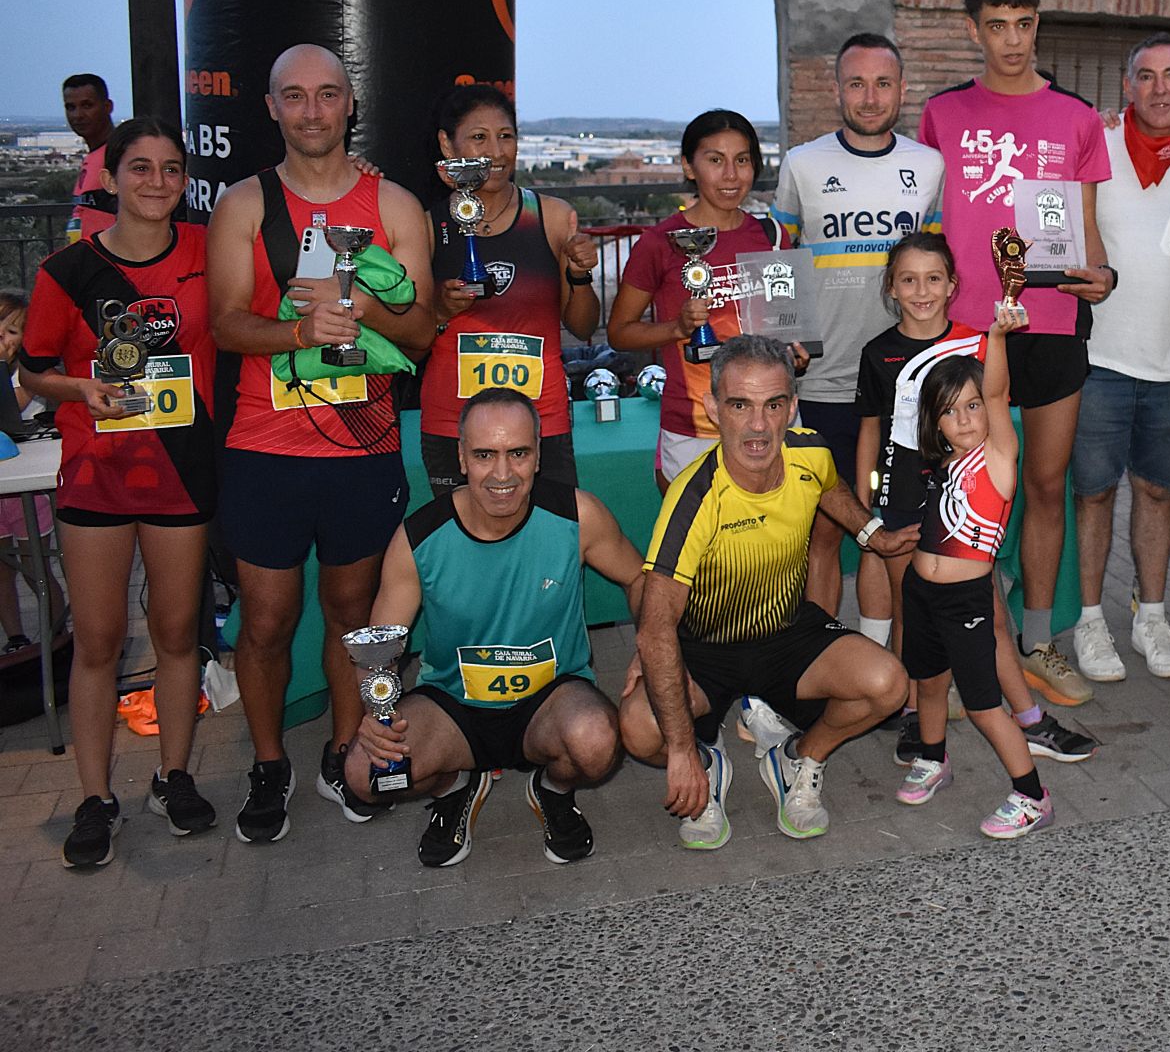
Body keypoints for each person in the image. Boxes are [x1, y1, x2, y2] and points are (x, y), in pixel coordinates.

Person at [207, 43, 436, 844]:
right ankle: (269, 763)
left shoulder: (394, 204)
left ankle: (346, 752)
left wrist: (365, 310)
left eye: (328, 94)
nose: (312, 110)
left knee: (352, 615)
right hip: (265, 448)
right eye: (295, 95)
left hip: (362, 448)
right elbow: (226, 323)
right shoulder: (244, 203)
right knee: (267, 621)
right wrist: (301, 332)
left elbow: (423, 327)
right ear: (272, 107)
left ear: (350, 105)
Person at [619, 335, 917, 849]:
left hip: (785, 634)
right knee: (639, 729)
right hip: (705, 650)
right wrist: (682, 752)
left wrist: (873, 534)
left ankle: (799, 758)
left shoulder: (809, 450)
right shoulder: (693, 497)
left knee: (889, 685)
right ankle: (707, 765)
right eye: (740, 405)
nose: (758, 425)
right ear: (714, 409)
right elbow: (655, 626)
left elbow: (829, 486)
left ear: (792, 408)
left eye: (773, 405)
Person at [19, 119, 219, 867]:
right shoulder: (66, 269)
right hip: (96, 477)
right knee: (99, 641)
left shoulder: (207, 251)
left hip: (182, 472)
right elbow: (32, 370)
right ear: (109, 178)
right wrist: (79, 388)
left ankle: (174, 777)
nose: (157, 182)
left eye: (171, 168)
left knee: (176, 634)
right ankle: (96, 797)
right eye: (140, 168)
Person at [915, 0, 1114, 707]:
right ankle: (967, 636)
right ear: (974, 30)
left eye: (1024, 24)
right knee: (966, 482)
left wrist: (1102, 274)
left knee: (1045, 485)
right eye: (997, 25)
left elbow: (1086, 230)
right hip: (971, 325)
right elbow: (927, 222)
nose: (1012, 40)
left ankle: (1035, 642)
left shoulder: (1076, 117)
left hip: (1054, 322)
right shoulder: (942, 114)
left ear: (1038, 26)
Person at [345, 389, 635, 868]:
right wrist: (377, 715)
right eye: (484, 455)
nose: (503, 474)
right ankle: (454, 785)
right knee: (364, 775)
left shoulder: (578, 516)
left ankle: (553, 789)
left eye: (517, 453)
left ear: (538, 455)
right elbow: (380, 650)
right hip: (453, 709)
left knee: (596, 742)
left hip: (550, 703)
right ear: (461, 457)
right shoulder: (419, 537)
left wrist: (648, 646)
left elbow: (641, 580)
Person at [854, 233, 1094, 767]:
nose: (922, 291)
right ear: (891, 287)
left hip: (962, 500)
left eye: (933, 279)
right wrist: (869, 501)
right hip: (903, 501)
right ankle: (916, 714)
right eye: (909, 280)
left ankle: (1028, 719)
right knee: (911, 614)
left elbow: (996, 399)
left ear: (952, 285)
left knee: (990, 615)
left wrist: (1001, 335)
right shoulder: (877, 352)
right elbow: (871, 428)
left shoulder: (976, 343)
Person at [771, 33, 943, 632]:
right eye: (857, 84)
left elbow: (934, 265)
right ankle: (821, 655)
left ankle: (903, 659)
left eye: (883, 83)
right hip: (824, 380)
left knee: (902, 526)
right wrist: (784, 339)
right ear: (836, 89)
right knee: (824, 531)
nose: (870, 97)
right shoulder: (803, 163)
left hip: (907, 382)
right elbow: (780, 260)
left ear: (903, 90)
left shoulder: (929, 165)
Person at [1070, 33, 1170, 682]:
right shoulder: (1096, 140)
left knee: (1157, 491)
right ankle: (1089, 621)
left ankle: (1150, 615)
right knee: (1094, 494)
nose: (1159, 88)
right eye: (1146, 76)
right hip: (1098, 358)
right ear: (1127, 85)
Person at [895, 305, 1057, 837]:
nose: (965, 419)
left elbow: (996, 392)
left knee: (986, 705)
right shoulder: (941, 462)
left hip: (964, 601)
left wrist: (996, 337)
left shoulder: (997, 458)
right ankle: (933, 758)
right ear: (935, 422)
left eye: (972, 406)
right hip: (920, 592)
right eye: (950, 411)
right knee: (928, 683)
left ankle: (1032, 796)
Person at [419, 84, 601, 494]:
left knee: (551, 530)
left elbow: (584, 325)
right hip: (454, 423)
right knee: (463, 533)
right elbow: (408, 337)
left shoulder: (552, 217)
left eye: (506, 136)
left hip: (541, 420)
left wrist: (579, 275)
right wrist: (441, 311)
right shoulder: (427, 224)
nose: (496, 152)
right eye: (479, 137)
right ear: (447, 145)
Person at [607, 110, 789, 491]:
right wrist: (677, 328)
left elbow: (785, 324)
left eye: (742, 160)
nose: (731, 175)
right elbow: (619, 333)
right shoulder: (659, 243)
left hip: (770, 422)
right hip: (695, 428)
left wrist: (794, 350)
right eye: (715, 160)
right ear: (689, 167)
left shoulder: (772, 236)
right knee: (701, 532)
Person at [0, 290, 66, 653]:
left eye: (12, 331)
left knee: (35, 567)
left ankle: (57, 633)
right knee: (2, 569)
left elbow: (10, 407)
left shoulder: (23, 375)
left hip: (27, 483)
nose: (2, 338)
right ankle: (16, 637)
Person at [61, 74, 116, 243]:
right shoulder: (93, 157)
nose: (78, 115)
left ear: (107, 107)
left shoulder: (121, 154)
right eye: (71, 107)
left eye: (87, 105)